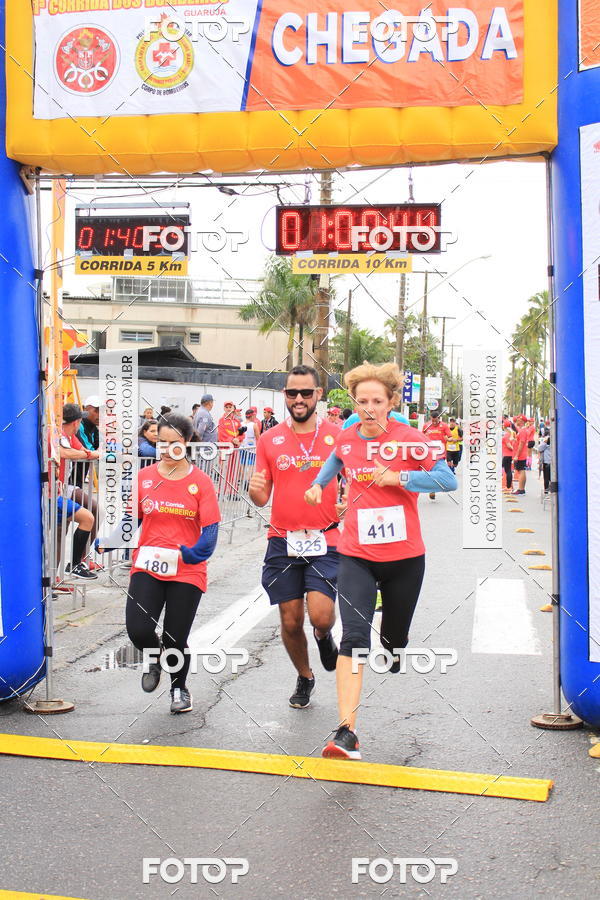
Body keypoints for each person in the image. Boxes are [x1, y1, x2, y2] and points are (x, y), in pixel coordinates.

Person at [305, 362, 457, 759]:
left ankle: (394, 644)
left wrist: (400, 479)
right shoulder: (348, 435)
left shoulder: (410, 439)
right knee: (355, 639)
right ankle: (345, 732)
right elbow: (336, 459)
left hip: (405, 558)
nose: (369, 407)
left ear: (391, 402)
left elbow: (447, 479)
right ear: (355, 402)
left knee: (391, 641)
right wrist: (319, 485)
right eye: (362, 400)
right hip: (356, 554)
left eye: (377, 400)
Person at [97, 414, 221, 714]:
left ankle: (179, 688)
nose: (166, 450)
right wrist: (107, 540)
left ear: (188, 442)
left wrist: (195, 553)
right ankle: (153, 658)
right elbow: (133, 520)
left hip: (186, 569)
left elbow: (210, 531)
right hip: (148, 564)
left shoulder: (201, 482)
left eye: (173, 444)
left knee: (175, 637)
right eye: (161, 443)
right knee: (138, 630)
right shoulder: (145, 477)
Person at [249, 365, 341, 709]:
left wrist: (349, 503)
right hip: (282, 539)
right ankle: (305, 676)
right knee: (289, 618)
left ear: (318, 394)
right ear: (284, 396)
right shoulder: (269, 439)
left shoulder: (338, 436)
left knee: (319, 615)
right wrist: (254, 490)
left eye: (306, 392)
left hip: (326, 538)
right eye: (292, 393)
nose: (298, 399)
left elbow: (358, 478)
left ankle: (324, 635)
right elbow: (261, 496)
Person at [56, 403, 99, 580]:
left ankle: (70, 567)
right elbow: (65, 453)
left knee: (89, 515)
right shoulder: (56, 434)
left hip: (63, 490)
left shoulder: (70, 436)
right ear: (77, 422)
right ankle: (68, 568)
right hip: (51, 493)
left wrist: (95, 454)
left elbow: (83, 451)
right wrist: (90, 454)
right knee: (84, 518)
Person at [422, 412, 452, 500]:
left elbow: (450, 437)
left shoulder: (444, 426)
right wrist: (424, 436)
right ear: (430, 418)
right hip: (429, 452)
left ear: (439, 418)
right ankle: (432, 489)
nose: (434, 422)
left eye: (436, 421)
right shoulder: (426, 425)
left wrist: (448, 439)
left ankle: (434, 487)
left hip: (440, 452)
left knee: (438, 471)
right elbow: (420, 436)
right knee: (430, 470)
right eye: (432, 420)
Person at [512, 415, 529, 495]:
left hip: (521, 455)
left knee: (521, 470)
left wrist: (517, 455)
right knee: (521, 470)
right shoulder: (522, 430)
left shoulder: (522, 431)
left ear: (522, 421)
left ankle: (521, 489)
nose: (517, 421)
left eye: (518, 420)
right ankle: (521, 489)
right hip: (521, 454)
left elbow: (521, 444)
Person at [502, 424, 516, 492]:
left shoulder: (506, 435)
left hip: (507, 455)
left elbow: (508, 445)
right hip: (510, 455)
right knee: (509, 471)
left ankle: (508, 486)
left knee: (508, 471)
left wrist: (513, 449)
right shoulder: (512, 434)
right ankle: (509, 486)